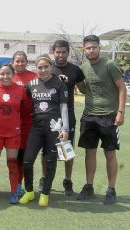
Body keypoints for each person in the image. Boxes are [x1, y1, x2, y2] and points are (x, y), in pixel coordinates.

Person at [77, 35, 126, 205]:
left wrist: (120, 112)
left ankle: (111, 189)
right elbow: (84, 90)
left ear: (99, 48)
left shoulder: (109, 65)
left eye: (94, 47)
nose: (91, 50)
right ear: (84, 50)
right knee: (89, 152)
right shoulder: (83, 67)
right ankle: (89, 186)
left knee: (109, 153)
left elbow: (122, 87)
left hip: (109, 116)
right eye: (88, 48)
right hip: (89, 115)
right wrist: (77, 81)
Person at [18, 54, 69, 207]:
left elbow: (64, 107)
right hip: (36, 128)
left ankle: (45, 194)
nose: (43, 70)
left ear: (51, 67)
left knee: (50, 162)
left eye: (46, 67)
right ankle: (29, 192)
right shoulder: (31, 84)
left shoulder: (60, 83)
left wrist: (65, 128)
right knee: (27, 161)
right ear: (36, 68)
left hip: (53, 129)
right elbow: (20, 98)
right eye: (39, 67)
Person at [38, 40, 86, 196]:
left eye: (63, 52)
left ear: (68, 53)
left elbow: (84, 89)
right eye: (58, 52)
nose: (60, 55)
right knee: (46, 149)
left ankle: (67, 180)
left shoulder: (75, 70)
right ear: (53, 51)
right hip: (49, 115)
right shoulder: (47, 67)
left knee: (66, 148)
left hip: (68, 115)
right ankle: (45, 179)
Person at [0, 64, 27, 204]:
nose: (5, 76)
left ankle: (14, 192)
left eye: (8, 73)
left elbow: (27, 110)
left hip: (13, 133)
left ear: (13, 74)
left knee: (12, 164)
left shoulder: (20, 90)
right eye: (2, 74)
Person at [11, 51, 37, 195]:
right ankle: (15, 182)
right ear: (12, 62)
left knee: (24, 156)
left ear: (27, 62)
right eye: (17, 61)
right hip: (11, 122)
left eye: (23, 61)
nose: (20, 64)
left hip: (29, 122)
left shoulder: (34, 77)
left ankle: (21, 184)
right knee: (13, 156)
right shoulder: (8, 75)